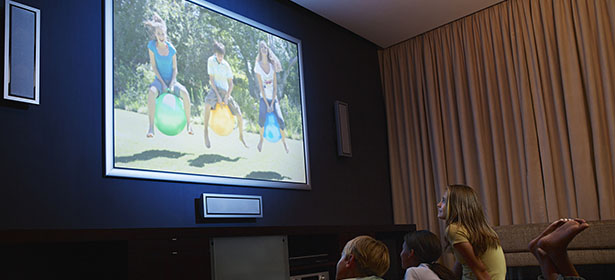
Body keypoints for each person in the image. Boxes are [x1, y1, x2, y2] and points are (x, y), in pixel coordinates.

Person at [437, 184, 506, 280]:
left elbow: (480, 269)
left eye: (444, 201)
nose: (439, 204)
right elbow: (462, 261)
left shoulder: (454, 230)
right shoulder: (478, 229)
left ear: (455, 205)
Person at [143, 13, 193, 138]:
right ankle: (150, 128)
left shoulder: (172, 49)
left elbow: (175, 69)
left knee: (185, 93)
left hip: (172, 81)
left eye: (163, 34)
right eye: (158, 33)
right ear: (155, 34)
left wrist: (171, 84)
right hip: (159, 81)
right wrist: (163, 84)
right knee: (151, 92)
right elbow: (154, 67)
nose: (161, 36)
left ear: (166, 34)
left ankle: (189, 124)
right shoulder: (151, 46)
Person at [203, 41, 248, 148]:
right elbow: (211, 80)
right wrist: (218, 96)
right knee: (207, 103)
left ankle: (241, 136)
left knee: (239, 115)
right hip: (215, 90)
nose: (220, 57)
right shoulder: (210, 61)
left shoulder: (226, 65)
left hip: (225, 91)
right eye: (219, 55)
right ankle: (205, 131)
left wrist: (227, 96)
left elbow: (231, 84)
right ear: (215, 53)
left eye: (222, 55)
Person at [254, 40, 289, 153]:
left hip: (274, 98)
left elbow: (275, 86)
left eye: (265, 47)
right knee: (261, 119)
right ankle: (261, 141)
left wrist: (273, 101)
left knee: (281, 120)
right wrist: (267, 104)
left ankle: (284, 143)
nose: (264, 49)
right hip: (264, 99)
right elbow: (261, 87)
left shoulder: (272, 66)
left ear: (267, 50)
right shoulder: (258, 67)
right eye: (262, 47)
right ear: (260, 50)